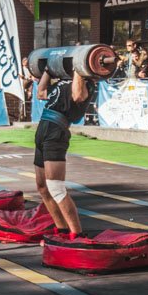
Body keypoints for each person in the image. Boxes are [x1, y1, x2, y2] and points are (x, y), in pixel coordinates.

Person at [34, 68, 96, 237]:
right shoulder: (62, 82)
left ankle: (77, 235)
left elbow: (78, 96)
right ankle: (61, 230)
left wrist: (78, 68)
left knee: (56, 187)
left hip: (56, 131)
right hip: (43, 129)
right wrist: (47, 70)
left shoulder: (87, 84)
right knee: (42, 187)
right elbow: (41, 93)